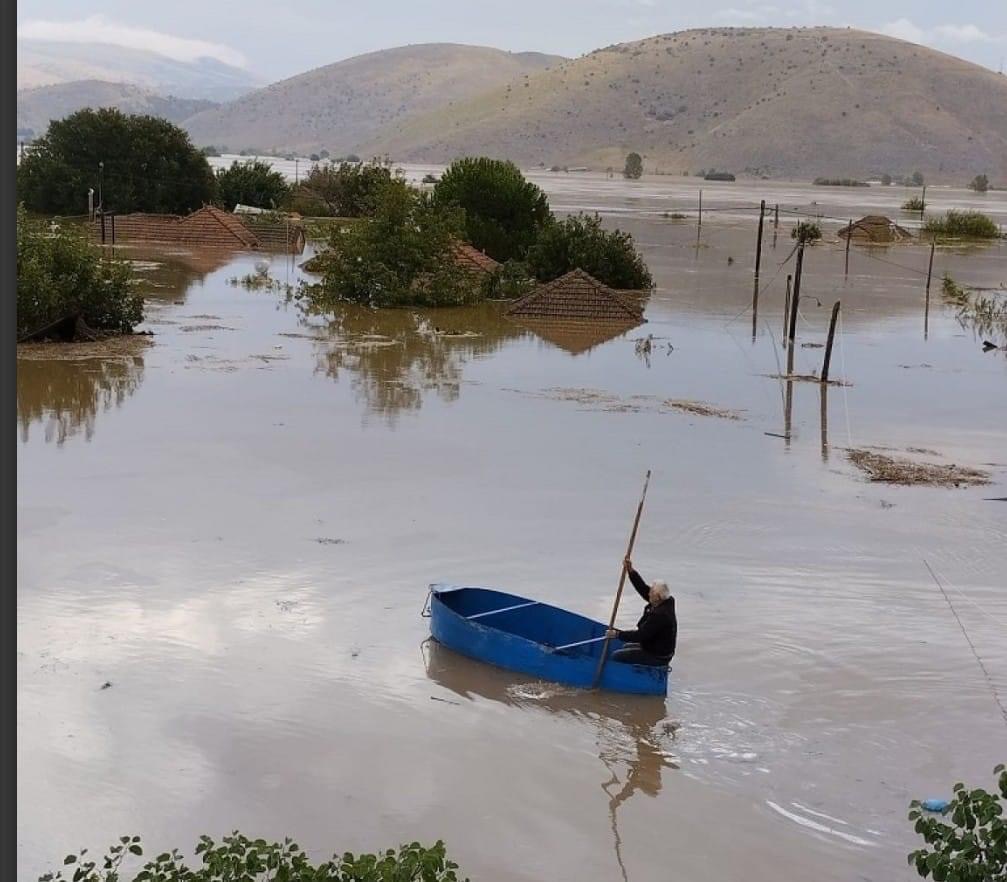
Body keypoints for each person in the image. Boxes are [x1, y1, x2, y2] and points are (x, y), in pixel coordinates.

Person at [606, 558, 677, 666]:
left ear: (657, 597)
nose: (648, 594)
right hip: (655, 646)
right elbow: (643, 589)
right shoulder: (665, 601)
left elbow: (639, 635)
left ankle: (629, 678)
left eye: (651, 592)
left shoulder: (660, 616)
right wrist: (631, 571)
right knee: (626, 646)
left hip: (658, 655)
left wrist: (617, 634)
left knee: (617, 656)